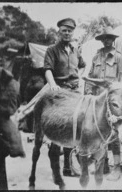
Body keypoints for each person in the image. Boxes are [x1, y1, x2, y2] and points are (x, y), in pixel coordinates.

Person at [43, 18, 86, 177]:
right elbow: (47, 69)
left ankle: (68, 166)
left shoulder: (75, 50)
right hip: (60, 92)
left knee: (74, 128)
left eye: (69, 31)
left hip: (75, 93)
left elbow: (82, 65)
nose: (67, 33)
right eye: (64, 30)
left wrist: (78, 78)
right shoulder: (52, 50)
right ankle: (55, 165)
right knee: (58, 127)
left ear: (73, 32)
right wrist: (53, 84)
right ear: (59, 32)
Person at [85, 26, 122, 181]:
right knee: (99, 133)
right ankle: (104, 165)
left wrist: (118, 100)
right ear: (101, 40)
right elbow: (90, 76)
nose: (106, 40)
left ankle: (117, 169)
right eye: (104, 38)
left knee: (114, 134)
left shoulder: (119, 57)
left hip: (112, 101)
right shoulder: (97, 56)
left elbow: (121, 81)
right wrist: (88, 93)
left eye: (109, 37)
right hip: (97, 100)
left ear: (113, 39)